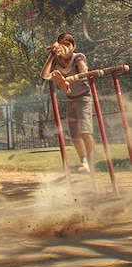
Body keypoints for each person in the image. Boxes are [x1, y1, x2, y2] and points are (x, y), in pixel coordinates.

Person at [40, 32, 94, 174]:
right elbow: (45, 75)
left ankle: (91, 161)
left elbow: (84, 73)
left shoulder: (78, 57)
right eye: (61, 45)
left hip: (83, 97)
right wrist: (51, 55)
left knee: (85, 131)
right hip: (70, 98)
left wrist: (67, 80)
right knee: (75, 135)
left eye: (67, 45)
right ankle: (84, 161)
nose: (65, 48)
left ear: (73, 46)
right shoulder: (57, 61)